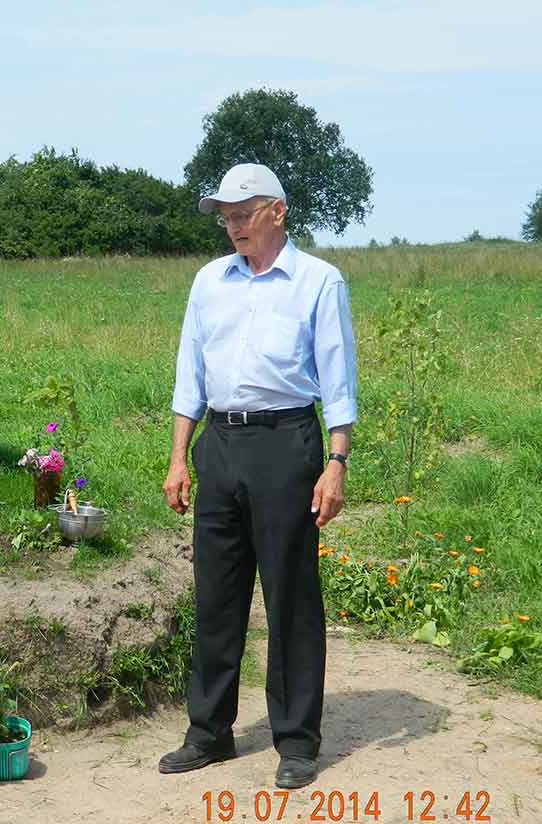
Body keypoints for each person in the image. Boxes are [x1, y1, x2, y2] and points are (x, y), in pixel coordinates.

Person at [158, 163, 356, 789]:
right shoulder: (209, 282)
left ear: (278, 211)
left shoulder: (319, 282)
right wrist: (178, 457)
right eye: (225, 214)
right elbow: (189, 374)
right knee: (215, 593)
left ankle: (296, 740)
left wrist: (336, 462)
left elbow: (338, 380)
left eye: (243, 213)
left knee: (291, 595)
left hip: (286, 443)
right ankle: (208, 731)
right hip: (220, 442)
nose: (233, 224)